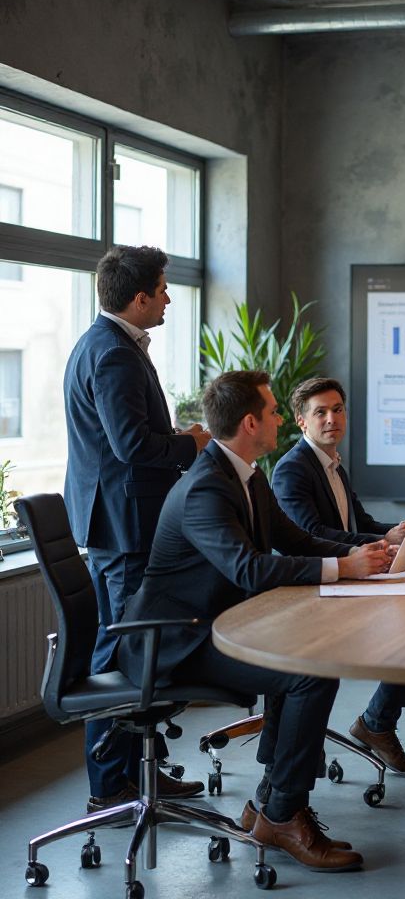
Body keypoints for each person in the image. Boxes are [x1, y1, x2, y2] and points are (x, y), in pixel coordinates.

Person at [118, 370, 393, 871]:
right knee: (310, 672)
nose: (279, 420)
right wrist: (344, 567)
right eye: (272, 413)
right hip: (173, 643)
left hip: (214, 627)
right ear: (250, 423)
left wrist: (366, 556)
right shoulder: (205, 488)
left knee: (309, 661)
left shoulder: (245, 474)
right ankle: (284, 813)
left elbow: (297, 540)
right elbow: (246, 567)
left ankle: (270, 800)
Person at [63, 244, 210, 810]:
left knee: (123, 645)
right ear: (139, 296)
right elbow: (131, 447)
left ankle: (133, 773)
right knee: (123, 651)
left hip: (116, 518)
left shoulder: (104, 343)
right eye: (165, 288)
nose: (171, 296)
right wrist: (191, 444)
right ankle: (114, 786)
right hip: (123, 523)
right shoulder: (115, 354)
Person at [272, 376, 405, 775]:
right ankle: (373, 725)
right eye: (320, 412)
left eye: (337, 410)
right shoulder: (293, 469)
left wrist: (390, 533)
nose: (331, 419)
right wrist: (374, 543)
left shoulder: (333, 465)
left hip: (346, 579)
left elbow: (356, 521)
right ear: (301, 421)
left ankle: (377, 723)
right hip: (315, 589)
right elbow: (310, 536)